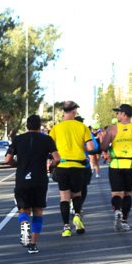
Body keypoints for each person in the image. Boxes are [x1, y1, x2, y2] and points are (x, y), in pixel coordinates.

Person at [5, 115, 61, 254]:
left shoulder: (18, 139)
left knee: (23, 209)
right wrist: (52, 167)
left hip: (23, 179)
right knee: (38, 211)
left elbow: (7, 159)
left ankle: (24, 223)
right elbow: (57, 158)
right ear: (39, 126)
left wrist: (17, 164)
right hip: (40, 179)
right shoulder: (47, 139)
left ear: (26, 126)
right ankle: (33, 244)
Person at [99, 103, 132, 232]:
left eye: (117, 113)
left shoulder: (112, 129)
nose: (116, 115)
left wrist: (106, 142)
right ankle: (124, 221)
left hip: (116, 164)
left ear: (123, 114)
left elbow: (103, 147)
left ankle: (117, 210)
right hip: (131, 165)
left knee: (116, 193)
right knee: (127, 193)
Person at [48, 101, 95, 237]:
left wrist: (51, 163)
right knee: (77, 194)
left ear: (63, 111)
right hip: (78, 165)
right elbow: (91, 147)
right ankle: (77, 216)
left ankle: (66, 227)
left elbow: (50, 148)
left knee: (64, 197)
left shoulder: (56, 128)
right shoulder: (82, 127)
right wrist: (81, 147)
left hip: (62, 165)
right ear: (74, 111)